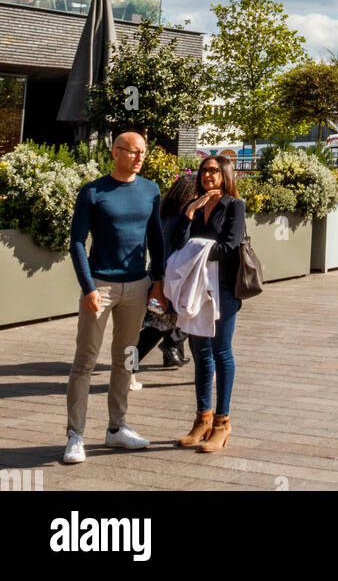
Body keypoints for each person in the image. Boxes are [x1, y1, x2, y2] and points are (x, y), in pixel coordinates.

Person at [63, 131, 166, 465]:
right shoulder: (92, 191)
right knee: (85, 361)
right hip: (100, 286)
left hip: (138, 286)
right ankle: (75, 435)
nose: (139, 157)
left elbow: (156, 237)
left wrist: (159, 279)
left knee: (126, 357)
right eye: (133, 151)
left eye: (143, 152)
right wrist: (88, 286)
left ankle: (116, 427)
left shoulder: (150, 190)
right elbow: (77, 241)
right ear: (115, 152)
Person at [170, 154, 246, 453]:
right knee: (200, 353)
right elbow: (177, 242)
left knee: (221, 352)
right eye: (204, 171)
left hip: (223, 289)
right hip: (196, 289)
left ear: (225, 174)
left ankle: (222, 423)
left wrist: (196, 251)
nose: (208, 176)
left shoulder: (234, 206)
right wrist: (189, 212)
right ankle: (201, 420)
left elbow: (229, 245)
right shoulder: (194, 205)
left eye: (214, 171)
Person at [130, 172, 198, 385]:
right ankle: (127, 370)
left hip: (159, 277)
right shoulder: (183, 218)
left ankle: (131, 369)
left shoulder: (163, 214)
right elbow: (179, 247)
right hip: (172, 281)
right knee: (153, 330)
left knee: (155, 328)